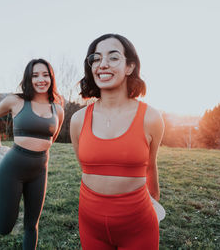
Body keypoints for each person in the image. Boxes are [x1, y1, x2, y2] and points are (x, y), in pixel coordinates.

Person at [70, 34, 164, 250]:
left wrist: (155, 202)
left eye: (113, 58)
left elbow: (151, 166)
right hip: (90, 225)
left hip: (139, 226)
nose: (102, 65)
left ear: (129, 66)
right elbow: (85, 167)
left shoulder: (151, 118)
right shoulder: (77, 120)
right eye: (96, 58)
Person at [0, 58, 64, 250]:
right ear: (28, 79)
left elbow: (51, 139)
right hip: (12, 168)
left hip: (39, 170)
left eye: (45, 75)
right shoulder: (16, 101)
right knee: (3, 228)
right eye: (35, 75)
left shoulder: (58, 108)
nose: (41, 80)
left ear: (51, 78)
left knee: (32, 225)